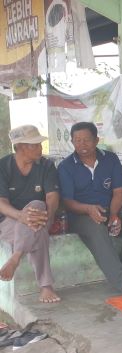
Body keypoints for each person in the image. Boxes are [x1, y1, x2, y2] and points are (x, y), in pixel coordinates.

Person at [58, 122, 122, 296]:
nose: (82, 145)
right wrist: (89, 209)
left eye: (86, 140)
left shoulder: (111, 159)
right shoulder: (66, 166)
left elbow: (119, 191)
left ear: (97, 140)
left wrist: (114, 215)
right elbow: (67, 202)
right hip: (79, 215)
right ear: (72, 141)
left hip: (109, 209)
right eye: (77, 140)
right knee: (97, 229)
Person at [0, 125, 60, 303]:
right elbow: (1, 203)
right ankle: (46, 286)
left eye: (39, 144)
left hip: (42, 216)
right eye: (35, 145)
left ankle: (15, 257)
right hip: (10, 221)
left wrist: (47, 216)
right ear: (20, 147)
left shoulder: (46, 165)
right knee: (36, 229)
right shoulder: (3, 166)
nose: (40, 148)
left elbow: (52, 197)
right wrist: (21, 216)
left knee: (37, 204)